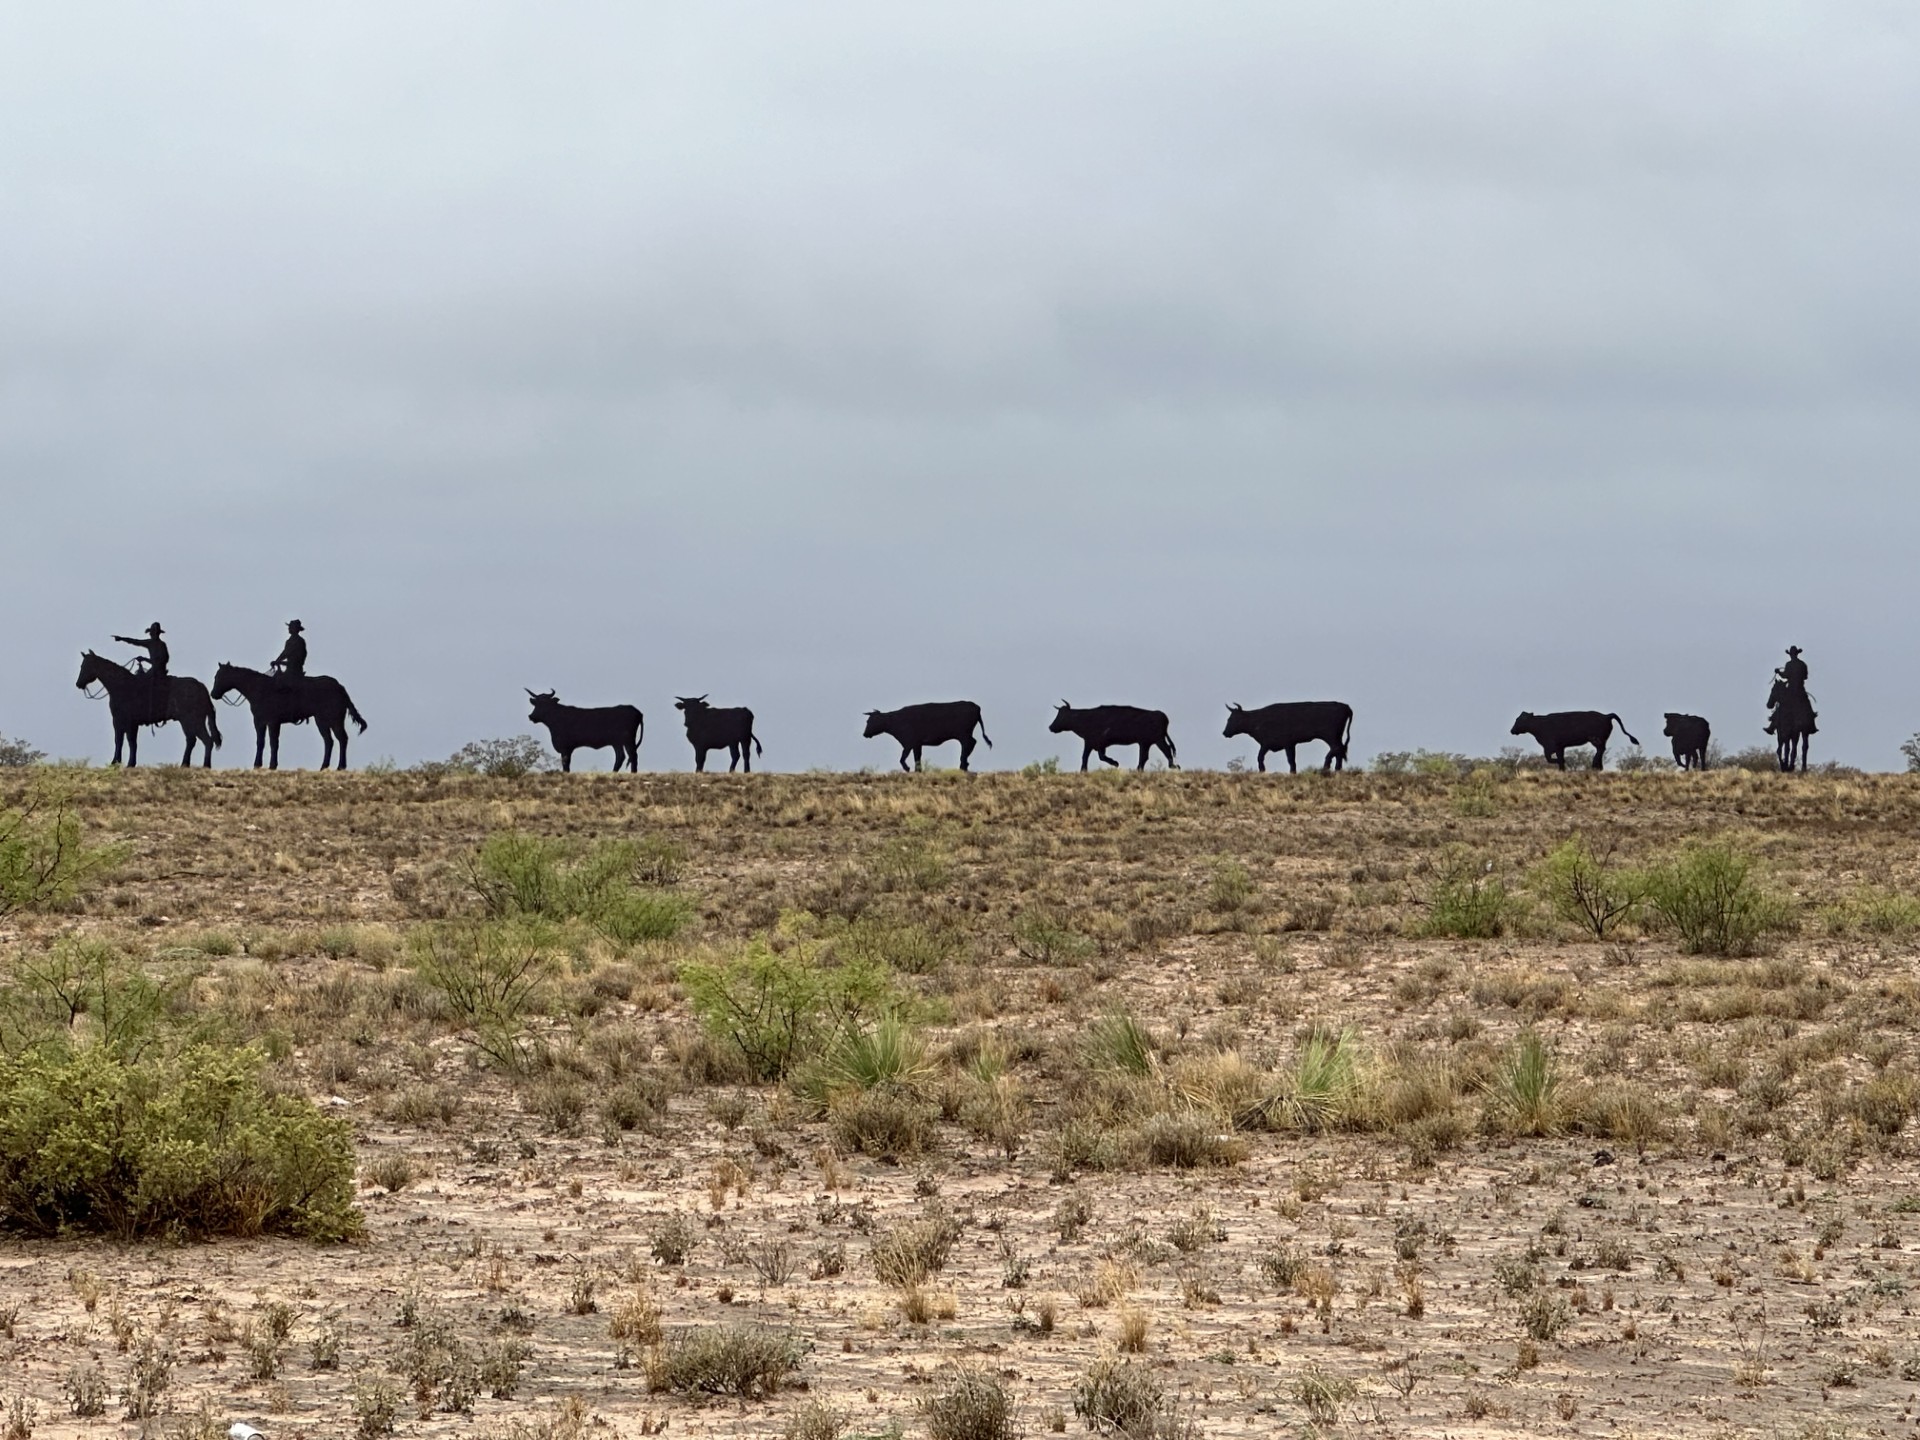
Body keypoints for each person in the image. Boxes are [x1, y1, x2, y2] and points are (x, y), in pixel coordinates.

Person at [111, 622, 170, 714]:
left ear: (155, 633)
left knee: (141, 681)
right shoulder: (150, 643)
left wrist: (144, 659)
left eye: (152, 632)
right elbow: (135, 641)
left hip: (158, 671)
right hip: (155, 669)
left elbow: (163, 661)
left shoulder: (161, 645)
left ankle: (148, 706)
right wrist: (122, 639)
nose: (151, 634)